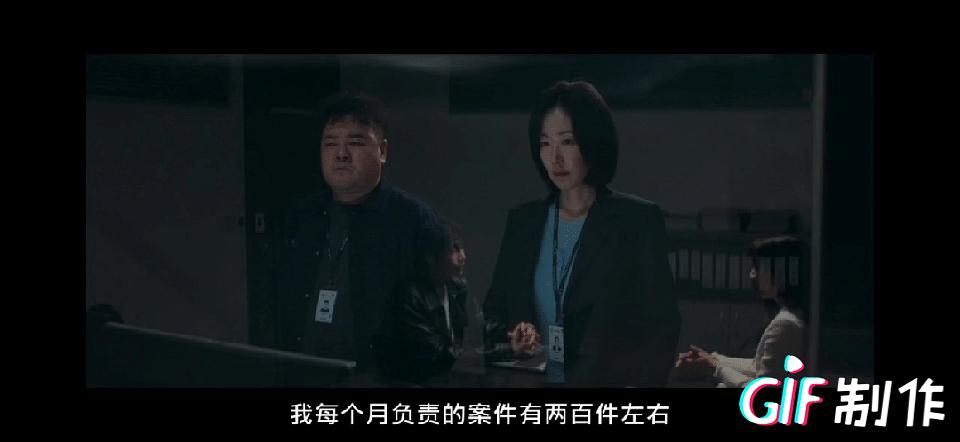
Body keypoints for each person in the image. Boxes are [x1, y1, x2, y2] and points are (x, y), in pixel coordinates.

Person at [483, 80, 681, 387]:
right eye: (545, 143)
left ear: (593, 142)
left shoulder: (635, 221)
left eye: (568, 141)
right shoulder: (523, 223)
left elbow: (662, 327)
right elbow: (494, 314)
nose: (555, 158)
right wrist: (513, 337)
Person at [275, 91, 441, 383]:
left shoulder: (412, 219)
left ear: (383, 151)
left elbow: (432, 323)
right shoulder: (303, 216)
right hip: (304, 374)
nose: (341, 154)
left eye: (355, 142)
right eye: (330, 144)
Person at [675, 236, 807, 388]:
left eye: (757, 267)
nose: (752, 274)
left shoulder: (785, 325)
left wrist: (714, 368)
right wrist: (713, 359)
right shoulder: (791, 316)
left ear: (779, 272)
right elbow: (758, 366)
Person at [389, 218, 470, 384]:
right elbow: (438, 353)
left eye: (462, 248)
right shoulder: (410, 296)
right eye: (454, 250)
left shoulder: (456, 288)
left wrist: (513, 339)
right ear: (431, 257)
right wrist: (487, 353)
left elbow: (476, 332)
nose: (463, 256)